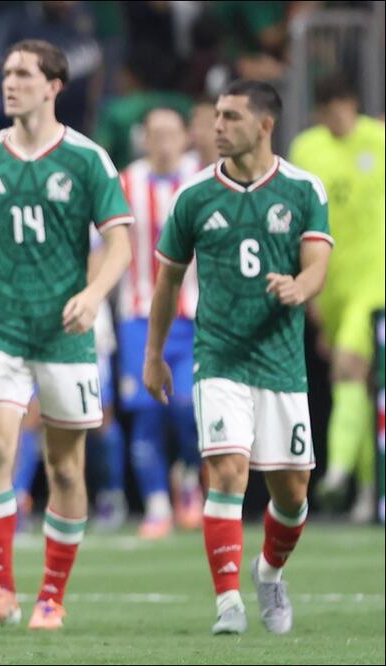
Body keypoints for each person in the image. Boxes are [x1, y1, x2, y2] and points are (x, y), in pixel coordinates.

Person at [0, 39, 132, 630]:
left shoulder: (86, 159)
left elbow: (121, 244)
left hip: (65, 334)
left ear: (54, 85)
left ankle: (52, 595)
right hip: (1, 328)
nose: (10, 83)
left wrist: (93, 293)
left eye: (24, 74)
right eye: (6, 72)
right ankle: (1, 588)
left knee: (64, 470)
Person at [145, 80, 331, 635]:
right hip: (219, 356)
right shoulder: (195, 195)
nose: (216, 127)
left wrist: (301, 287)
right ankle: (228, 600)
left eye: (229, 117)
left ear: (265, 124)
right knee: (227, 470)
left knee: (293, 494)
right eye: (215, 116)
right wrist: (154, 353)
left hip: (281, 363)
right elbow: (167, 280)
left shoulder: (302, 189)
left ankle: (268, 571)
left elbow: (318, 260)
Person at [289, 78, 386, 522]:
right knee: (356, 387)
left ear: (351, 103)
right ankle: (367, 490)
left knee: (349, 365)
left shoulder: (379, 140)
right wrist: (310, 292)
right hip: (329, 282)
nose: (331, 119)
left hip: (375, 280)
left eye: (336, 108)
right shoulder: (308, 149)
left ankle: (337, 473)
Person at [117, 107, 204, 539]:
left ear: (185, 137)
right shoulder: (125, 183)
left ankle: (188, 478)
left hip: (193, 317)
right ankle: (155, 503)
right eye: (156, 134)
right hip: (138, 317)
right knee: (147, 414)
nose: (164, 141)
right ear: (144, 139)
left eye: (172, 132)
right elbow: (104, 244)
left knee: (189, 408)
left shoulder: (203, 180)